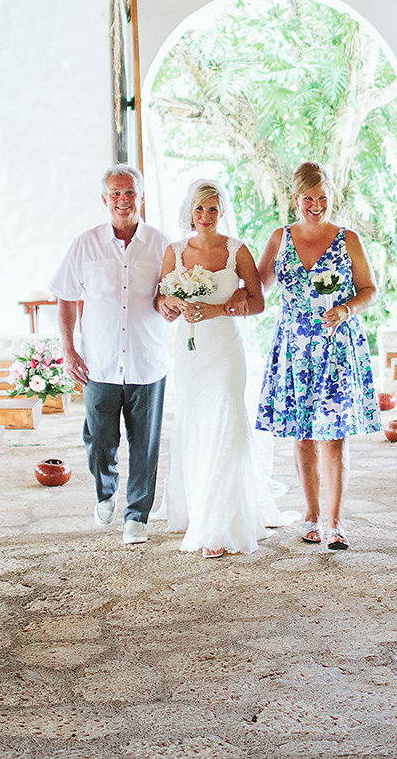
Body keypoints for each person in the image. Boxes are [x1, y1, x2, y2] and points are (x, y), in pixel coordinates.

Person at [152, 179, 283, 558]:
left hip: (225, 349)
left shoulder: (237, 250)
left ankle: (219, 523)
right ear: (189, 212)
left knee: (225, 417)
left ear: (222, 211)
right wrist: (171, 306)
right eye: (199, 209)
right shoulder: (174, 252)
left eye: (212, 209)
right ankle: (195, 508)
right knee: (196, 421)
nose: (206, 216)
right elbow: (160, 300)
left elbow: (257, 302)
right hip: (190, 353)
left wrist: (218, 309)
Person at [255, 161, 381, 551]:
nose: (316, 205)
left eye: (322, 197)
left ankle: (335, 522)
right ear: (295, 199)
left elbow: (370, 290)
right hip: (293, 349)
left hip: (336, 348)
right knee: (304, 436)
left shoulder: (348, 239)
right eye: (309, 198)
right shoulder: (279, 239)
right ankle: (310, 516)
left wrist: (346, 309)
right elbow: (254, 287)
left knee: (334, 437)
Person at [48, 164, 170, 545]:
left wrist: (171, 305)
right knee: (99, 440)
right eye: (115, 193)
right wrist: (68, 350)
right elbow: (66, 296)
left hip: (146, 360)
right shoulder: (86, 244)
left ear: (141, 196)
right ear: (104, 199)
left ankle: (138, 516)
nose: (123, 200)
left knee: (145, 444)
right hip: (98, 362)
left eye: (130, 192)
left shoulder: (161, 244)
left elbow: (170, 294)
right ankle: (105, 491)